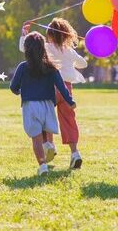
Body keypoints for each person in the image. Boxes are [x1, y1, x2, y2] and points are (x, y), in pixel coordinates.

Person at [20, 18, 87, 169]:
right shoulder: (69, 50)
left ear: (49, 34)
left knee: (44, 117)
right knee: (69, 120)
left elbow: (25, 49)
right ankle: (75, 153)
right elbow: (83, 64)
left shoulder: (46, 48)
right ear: (65, 35)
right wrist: (70, 58)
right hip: (67, 90)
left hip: (49, 88)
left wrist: (24, 34)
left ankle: (49, 144)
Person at [11, 32, 76, 176]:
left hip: (30, 106)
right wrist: (70, 101)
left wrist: (20, 91)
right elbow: (61, 87)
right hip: (47, 105)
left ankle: (42, 165)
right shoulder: (51, 68)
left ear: (26, 49)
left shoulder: (23, 67)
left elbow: (13, 87)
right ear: (43, 48)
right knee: (45, 131)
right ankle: (48, 145)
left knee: (36, 137)